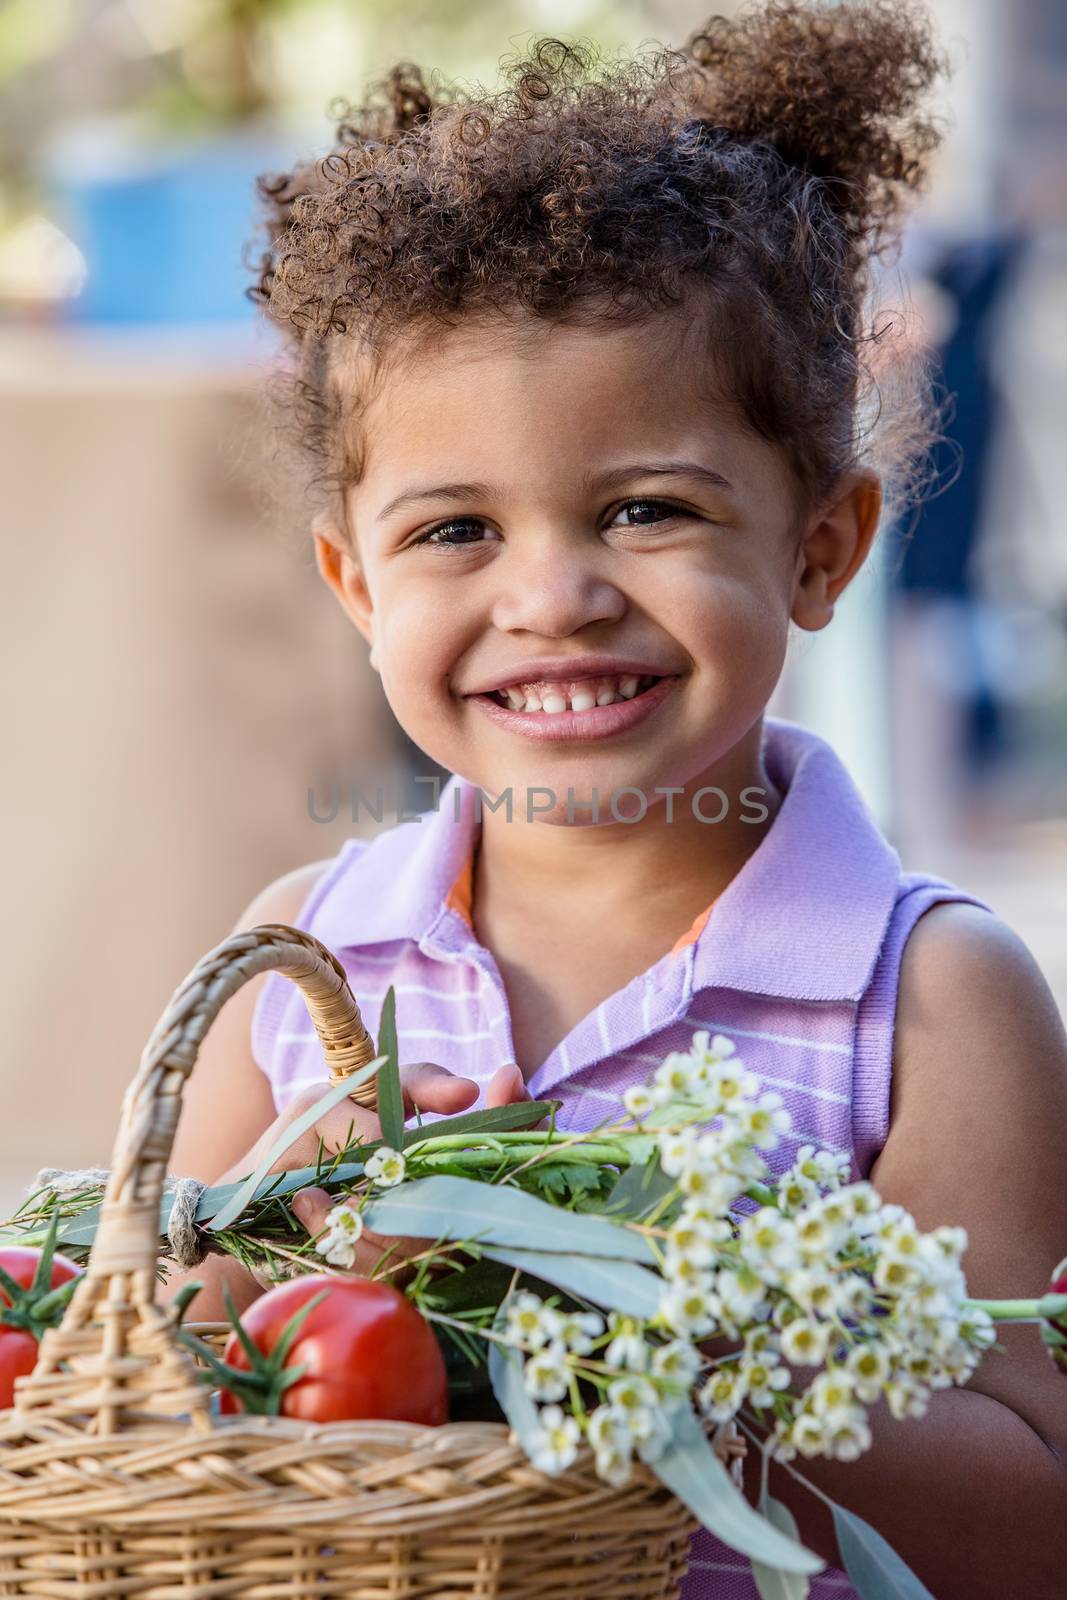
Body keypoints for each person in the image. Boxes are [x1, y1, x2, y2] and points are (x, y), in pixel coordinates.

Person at [167, 3, 1067, 1596]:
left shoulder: (932, 998)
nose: (555, 597)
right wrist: (307, 1259)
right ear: (352, 583)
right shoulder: (300, 960)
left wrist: (654, 1343)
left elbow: (1029, 1521)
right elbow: (166, 1382)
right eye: (455, 532)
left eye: (646, 509)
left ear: (821, 549)